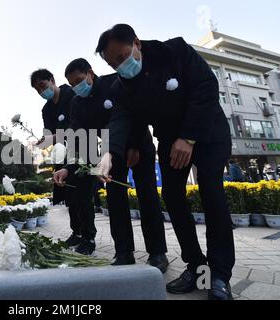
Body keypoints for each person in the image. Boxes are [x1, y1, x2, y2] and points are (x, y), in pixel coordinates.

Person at [95, 24, 235, 300]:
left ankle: (218, 275)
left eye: (122, 57)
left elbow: (206, 86)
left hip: (207, 132)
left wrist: (189, 137)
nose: (121, 66)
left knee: (211, 192)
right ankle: (196, 267)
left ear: (137, 42)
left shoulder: (174, 51)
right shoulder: (122, 85)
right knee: (172, 195)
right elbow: (121, 119)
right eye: (113, 64)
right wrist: (110, 153)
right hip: (171, 141)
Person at [53, 58, 169, 271]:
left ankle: (157, 252)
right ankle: (124, 251)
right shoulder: (77, 104)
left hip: (138, 144)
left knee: (147, 196)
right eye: (72, 85)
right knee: (115, 200)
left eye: (79, 80)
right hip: (109, 152)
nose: (77, 87)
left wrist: (133, 146)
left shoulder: (114, 84)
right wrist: (67, 168)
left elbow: (136, 113)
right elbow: (80, 141)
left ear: (90, 73)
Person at [30, 69, 83, 249]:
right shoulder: (46, 109)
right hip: (62, 154)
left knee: (82, 193)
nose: (41, 92)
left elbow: (79, 124)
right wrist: (44, 141)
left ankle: (88, 236)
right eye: (37, 90)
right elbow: (50, 134)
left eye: (42, 86)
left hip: (82, 149)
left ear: (52, 80)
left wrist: (55, 137)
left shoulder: (71, 94)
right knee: (69, 194)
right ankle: (76, 232)